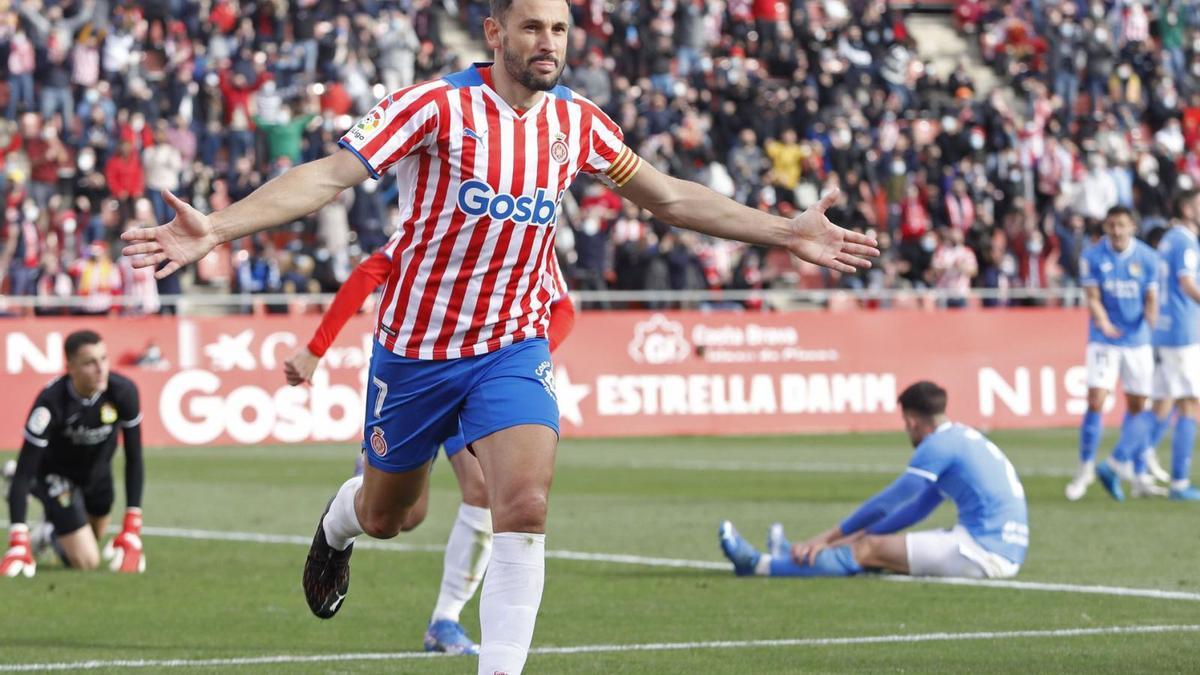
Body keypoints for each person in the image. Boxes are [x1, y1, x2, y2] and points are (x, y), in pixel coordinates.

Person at [120, 1, 876, 671]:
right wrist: (215, 227)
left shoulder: (577, 123)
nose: (549, 42)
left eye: (560, 29)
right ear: (495, 32)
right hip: (415, 354)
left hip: (511, 347)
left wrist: (785, 231)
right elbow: (330, 175)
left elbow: (670, 197)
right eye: (533, 27)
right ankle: (339, 522)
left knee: (524, 504)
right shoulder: (433, 107)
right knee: (394, 515)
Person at [282, 246, 576, 655]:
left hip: (485, 375)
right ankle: (344, 514)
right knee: (393, 519)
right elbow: (371, 270)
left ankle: (445, 619)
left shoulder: (526, 229)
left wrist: (513, 371)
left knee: (485, 491)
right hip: (418, 369)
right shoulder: (438, 215)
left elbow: (563, 307)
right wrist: (316, 347)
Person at [718, 381, 1028, 580]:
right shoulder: (959, 438)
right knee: (868, 546)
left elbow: (889, 503)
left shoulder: (936, 446)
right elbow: (916, 510)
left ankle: (758, 565)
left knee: (867, 551)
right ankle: (790, 557)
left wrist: (827, 538)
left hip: (984, 551)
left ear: (911, 421)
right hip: (998, 547)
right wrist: (844, 539)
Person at [1, 330, 145, 577]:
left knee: (95, 535)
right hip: (57, 476)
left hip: (98, 476)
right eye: (90, 362)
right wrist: (18, 539)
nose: (101, 368)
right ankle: (46, 519)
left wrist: (132, 524)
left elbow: (135, 457)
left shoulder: (123, 392)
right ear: (70, 367)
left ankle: (49, 528)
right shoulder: (50, 403)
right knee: (87, 561)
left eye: (104, 358)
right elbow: (26, 469)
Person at [1065, 206, 1163, 502]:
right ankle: (1085, 470)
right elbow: (1092, 297)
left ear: (1133, 227)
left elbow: (1152, 298)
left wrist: (1152, 323)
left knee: (1138, 407)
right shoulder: (1092, 256)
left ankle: (1138, 472)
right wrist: (1103, 321)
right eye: (1111, 226)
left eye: (1121, 225)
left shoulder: (1147, 257)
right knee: (1096, 400)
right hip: (1104, 339)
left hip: (1137, 341)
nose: (1116, 231)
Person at [1142, 189, 1200, 501]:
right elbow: (1187, 282)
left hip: (1166, 329)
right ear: (1188, 208)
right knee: (1189, 403)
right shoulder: (1185, 240)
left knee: (1163, 401)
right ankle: (1179, 483)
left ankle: (1130, 462)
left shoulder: (1168, 239)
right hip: (1182, 330)